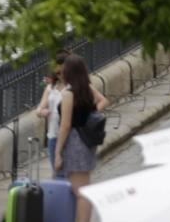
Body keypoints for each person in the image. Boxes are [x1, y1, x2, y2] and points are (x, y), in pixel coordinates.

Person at [53, 54, 108, 222]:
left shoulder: (69, 94)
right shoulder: (86, 89)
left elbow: (65, 124)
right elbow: (101, 102)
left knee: (81, 190)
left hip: (75, 142)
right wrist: (88, 117)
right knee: (83, 188)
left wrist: (57, 152)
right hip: (87, 141)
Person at [35, 52, 68, 177]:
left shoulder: (72, 88)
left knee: (65, 173)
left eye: (62, 72)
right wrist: (41, 112)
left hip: (68, 136)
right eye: (57, 73)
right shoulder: (51, 88)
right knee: (56, 172)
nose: (60, 76)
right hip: (53, 134)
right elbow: (39, 109)